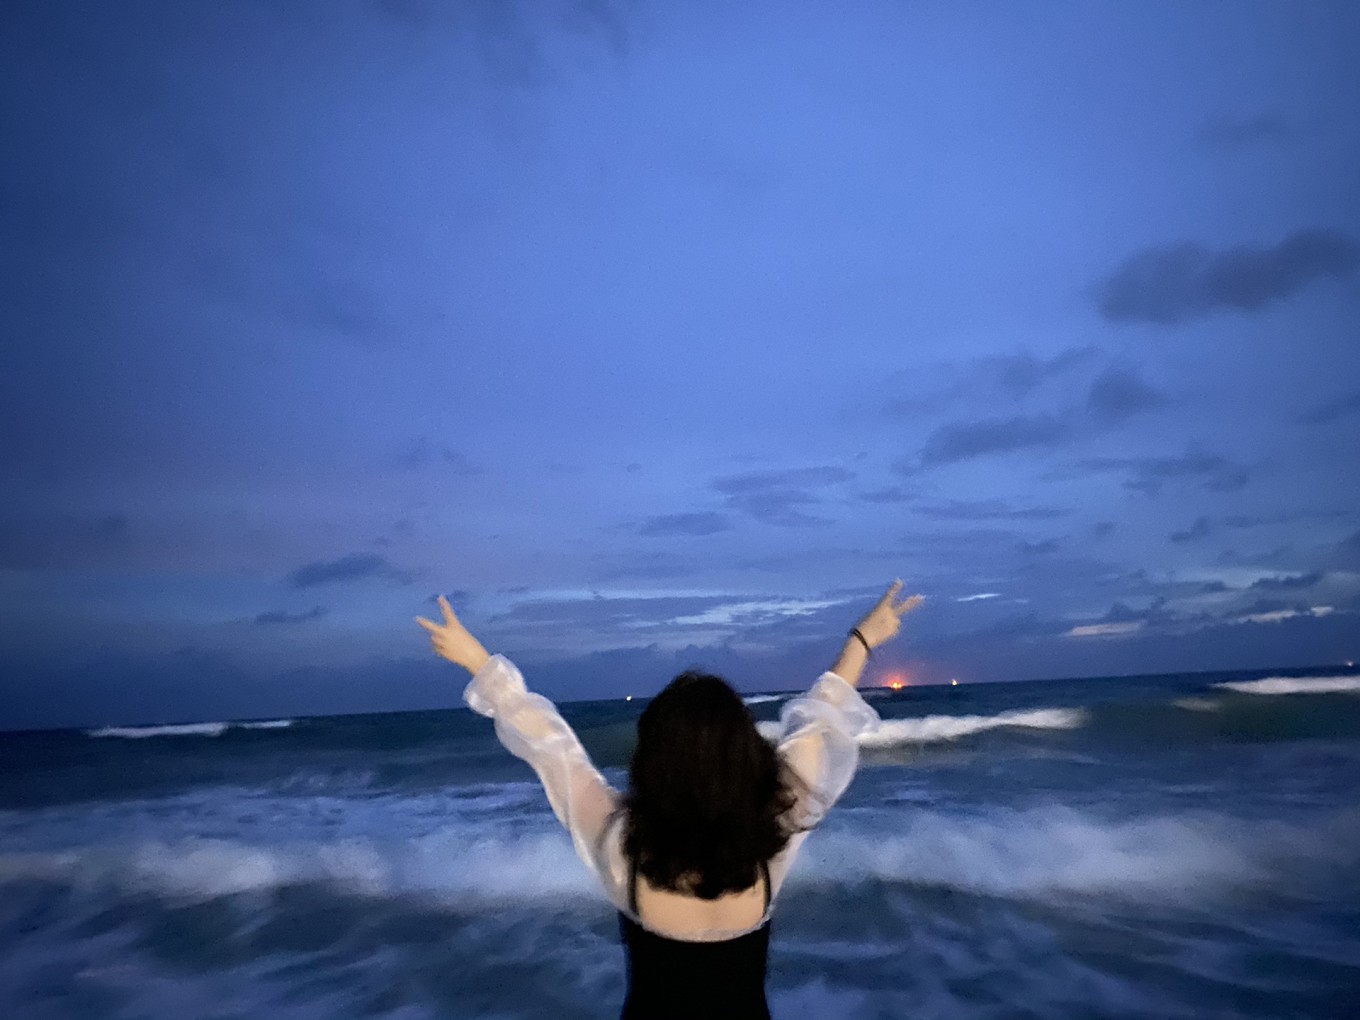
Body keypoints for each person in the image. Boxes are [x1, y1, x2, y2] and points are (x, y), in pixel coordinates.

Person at [416, 580, 924, 1019]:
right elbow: (819, 720)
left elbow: (551, 746)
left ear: (653, 759)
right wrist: (862, 640)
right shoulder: (772, 834)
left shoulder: (621, 844)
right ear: (745, 754)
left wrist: (478, 663)